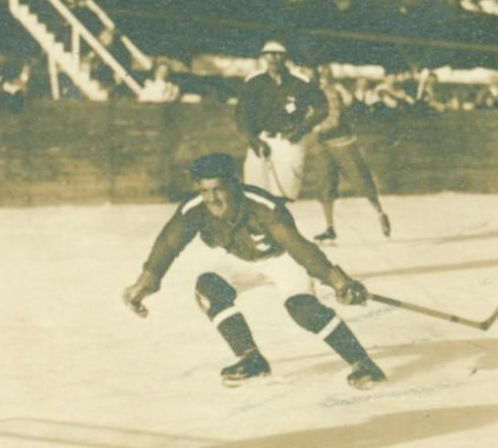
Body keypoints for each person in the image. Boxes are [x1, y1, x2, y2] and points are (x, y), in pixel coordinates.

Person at [122, 153, 386, 390]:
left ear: (233, 185)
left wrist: (337, 281)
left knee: (302, 310)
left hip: (283, 259)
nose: (211, 198)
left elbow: (298, 247)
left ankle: (363, 364)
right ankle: (251, 359)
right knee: (208, 287)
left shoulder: (261, 205)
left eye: (218, 189)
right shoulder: (196, 208)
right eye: (204, 191)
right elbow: (169, 242)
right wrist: (146, 281)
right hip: (243, 259)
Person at [307, 65, 391, 244]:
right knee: (325, 185)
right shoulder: (311, 91)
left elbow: (339, 114)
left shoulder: (335, 90)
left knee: (360, 180)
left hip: (342, 141)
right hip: (324, 144)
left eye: (324, 73)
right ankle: (330, 227)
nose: (322, 76)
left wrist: (316, 128)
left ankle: (380, 212)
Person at [235, 40, 327, 200]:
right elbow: (241, 115)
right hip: (261, 141)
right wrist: (253, 139)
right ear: (263, 56)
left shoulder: (300, 82)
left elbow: (322, 108)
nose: (273, 58)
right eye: (269, 53)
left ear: (286, 56)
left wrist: (301, 130)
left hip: (289, 142)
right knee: (254, 195)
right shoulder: (254, 82)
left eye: (278, 54)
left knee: (283, 197)